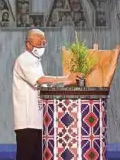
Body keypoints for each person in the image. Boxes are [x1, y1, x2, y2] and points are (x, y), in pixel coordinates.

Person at [12, 29, 77, 160]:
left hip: (38, 119)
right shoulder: (24, 59)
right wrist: (65, 78)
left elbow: (44, 85)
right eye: (38, 44)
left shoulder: (35, 61)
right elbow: (40, 80)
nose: (41, 47)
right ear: (28, 44)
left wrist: (64, 85)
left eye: (43, 43)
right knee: (26, 156)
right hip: (27, 121)